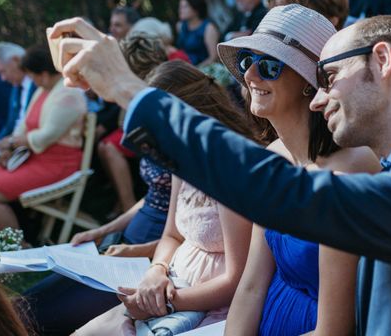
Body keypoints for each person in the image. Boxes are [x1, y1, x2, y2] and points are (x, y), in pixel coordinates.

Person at [50, 12, 391, 335]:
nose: (320, 97)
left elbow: (291, 195)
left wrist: (126, 88)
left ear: (384, 60)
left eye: (327, 79)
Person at [21, 60, 257, 336]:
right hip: (168, 279)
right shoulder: (183, 157)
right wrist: (157, 270)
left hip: (208, 302)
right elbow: (172, 235)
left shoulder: (229, 169)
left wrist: (164, 301)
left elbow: (240, 278)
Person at [215, 5, 379, 335]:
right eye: (248, 61)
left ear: (309, 83)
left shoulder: (355, 167)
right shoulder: (272, 159)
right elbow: (252, 284)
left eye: (270, 66)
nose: (250, 76)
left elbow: (340, 327)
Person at [0, 44, 86, 230]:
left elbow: (45, 136)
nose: (31, 80)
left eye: (32, 75)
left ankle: (17, 247)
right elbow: (24, 126)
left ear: (43, 74)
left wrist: (12, 142)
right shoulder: (44, 90)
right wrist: (10, 148)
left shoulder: (68, 94)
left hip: (58, 164)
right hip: (35, 159)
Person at [97, 35, 168, 215]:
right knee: (105, 146)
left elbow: (127, 122)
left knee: (109, 147)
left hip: (150, 137)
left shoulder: (150, 87)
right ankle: (124, 202)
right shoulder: (141, 83)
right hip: (136, 130)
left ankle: (128, 204)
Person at [0, 43, 35, 144]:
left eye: (3, 71)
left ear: (16, 60)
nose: (3, 78)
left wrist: (11, 144)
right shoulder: (16, 87)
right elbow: (10, 125)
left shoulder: (40, 85)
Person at [176, 0, 220, 66]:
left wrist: (195, 69)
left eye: (185, 7)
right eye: (180, 7)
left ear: (195, 9)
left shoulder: (209, 27)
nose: (181, 10)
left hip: (204, 69)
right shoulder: (180, 26)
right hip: (187, 67)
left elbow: (213, 57)